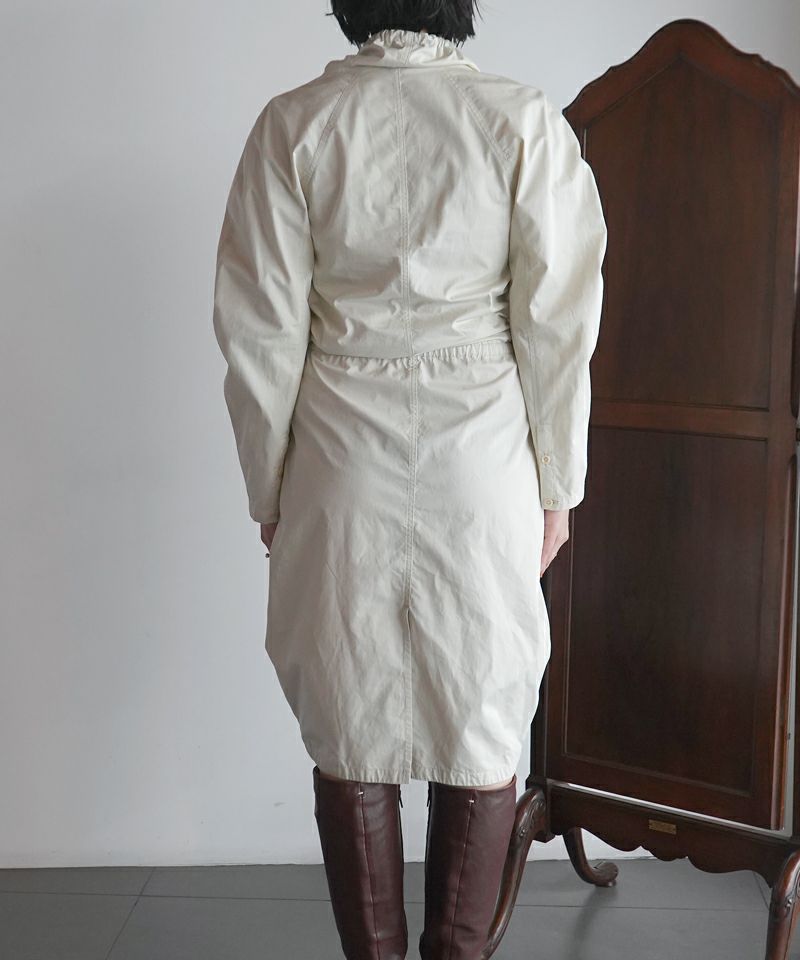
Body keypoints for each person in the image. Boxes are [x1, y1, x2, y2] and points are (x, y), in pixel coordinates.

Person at [212, 0, 607, 956]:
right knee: (483, 709)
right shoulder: (520, 121)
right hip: (483, 460)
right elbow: (557, 329)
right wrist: (559, 485)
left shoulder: (294, 126)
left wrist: (269, 486)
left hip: (337, 457)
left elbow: (262, 335)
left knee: (348, 708)